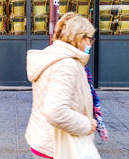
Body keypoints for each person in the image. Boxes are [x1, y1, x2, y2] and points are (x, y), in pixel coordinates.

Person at [25, 12, 99, 158]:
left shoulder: (52, 55)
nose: (90, 44)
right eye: (90, 39)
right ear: (79, 38)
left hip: (43, 138)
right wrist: (87, 125)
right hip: (57, 146)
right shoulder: (66, 65)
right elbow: (55, 111)